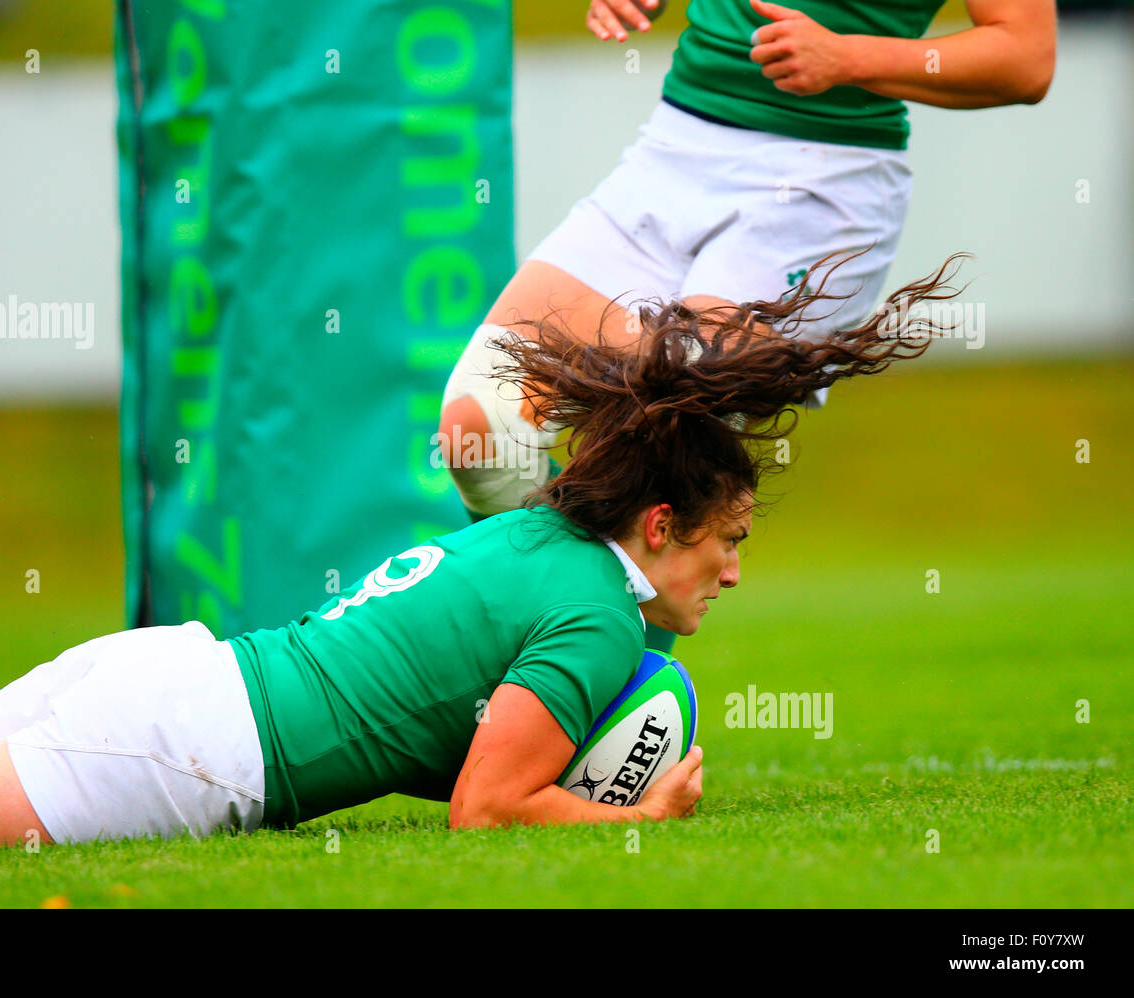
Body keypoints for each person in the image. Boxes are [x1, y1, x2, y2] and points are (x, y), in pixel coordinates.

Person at [0, 254, 963, 853]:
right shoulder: (599, 613)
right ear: (658, 525)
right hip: (197, 748)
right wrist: (641, 818)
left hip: (163, 675)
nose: (733, 571)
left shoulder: (532, 526)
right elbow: (488, 805)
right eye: (727, 540)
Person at [439, 0, 1056, 651]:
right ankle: (512, 664)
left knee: (658, 458)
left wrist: (849, 56)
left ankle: (603, 714)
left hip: (822, 178)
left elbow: (1025, 56)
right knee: (481, 427)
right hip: (676, 147)